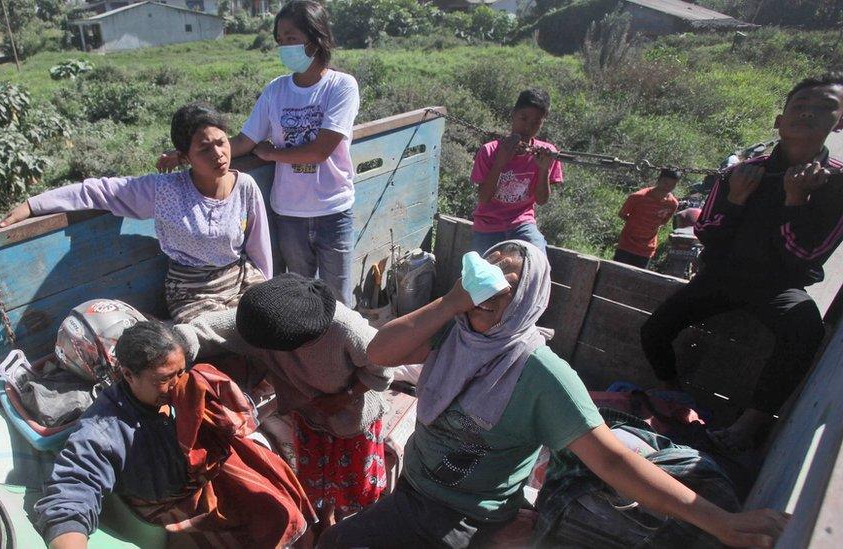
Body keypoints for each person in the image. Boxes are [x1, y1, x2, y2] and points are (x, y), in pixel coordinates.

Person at [320, 240, 789, 549]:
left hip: (465, 519)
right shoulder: (453, 331)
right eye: (486, 274)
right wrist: (452, 301)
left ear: (525, 300)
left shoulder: (541, 373)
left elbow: (612, 460)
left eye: (505, 284)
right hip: (412, 496)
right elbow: (379, 351)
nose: (487, 290)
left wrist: (716, 521)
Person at [641, 72, 843, 452]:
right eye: (799, 107)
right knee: (653, 331)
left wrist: (794, 199)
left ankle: (749, 426)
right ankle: (675, 397)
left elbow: (805, 256)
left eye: (825, 108)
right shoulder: (741, 172)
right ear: (779, 120)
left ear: (840, 121)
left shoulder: (836, 186)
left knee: (806, 331)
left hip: (778, 285)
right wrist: (735, 199)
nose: (808, 114)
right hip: (723, 275)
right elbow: (708, 233)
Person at [34, 321, 315, 549]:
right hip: (175, 509)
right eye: (164, 379)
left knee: (279, 508)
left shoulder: (186, 390)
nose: (178, 385)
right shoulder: (103, 430)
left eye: (181, 372)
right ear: (128, 375)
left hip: (211, 482)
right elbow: (70, 496)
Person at [158, 0, 359, 307]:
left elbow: (320, 150)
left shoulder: (341, 86)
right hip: (289, 212)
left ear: (316, 37)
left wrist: (273, 153)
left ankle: (342, 353)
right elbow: (244, 141)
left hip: (333, 209)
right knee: (303, 298)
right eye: (280, 40)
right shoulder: (276, 90)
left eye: (291, 38)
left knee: (338, 298)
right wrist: (186, 153)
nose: (284, 47)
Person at [0, 105, 271, 322]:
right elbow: (97, 191)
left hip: (238, 277)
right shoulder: (165, 191)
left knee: (270, 317)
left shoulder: (244, 185)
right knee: (223, 334)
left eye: (221, 143)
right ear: (184, 156)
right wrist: (32, 205)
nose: (219, 154)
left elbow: (259, 248)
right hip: (192, 291)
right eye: (204, 148)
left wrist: (265, 286)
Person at [177, 273, 391, 532]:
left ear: (293, 343)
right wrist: (173, 346)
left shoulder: (346, 329)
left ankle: (355, 523)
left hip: (353, 417)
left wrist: (344, 397)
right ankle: (326, 516)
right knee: (318, 475)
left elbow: (383, 369)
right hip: (309, 414)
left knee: (353, 479)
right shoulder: (266, 319)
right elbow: (208, 328)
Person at [469, 89, 563, 255]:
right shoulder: (489, 151)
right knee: (482, 272)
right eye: (523, 118)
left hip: (522, 224)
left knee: (537, 259)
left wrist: (543, 170)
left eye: (536, 123)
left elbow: (541, 200)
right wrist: (500, 162)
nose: (527, 127)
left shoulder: (546, 153)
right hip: (488, 224)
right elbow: (483, 198)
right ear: (513, 114)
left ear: (542, 123)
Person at [613, 168, 681, 269]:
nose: (668, 187)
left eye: (672, 185)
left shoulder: (672, 204)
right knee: (615, 274)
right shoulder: (638, 197)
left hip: (646, 249)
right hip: (626, 245)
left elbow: (663, 222)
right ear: (659, 180)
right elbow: (622, 214)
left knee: (638, 280)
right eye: (665, 182)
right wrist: (636, 223)